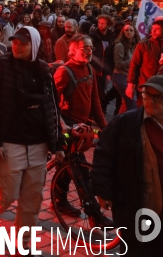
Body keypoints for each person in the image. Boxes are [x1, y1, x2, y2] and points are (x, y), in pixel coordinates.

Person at [0, 27, 65, 247]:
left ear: (34, 46)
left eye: (23, 43)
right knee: (5, 196)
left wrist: (57, 142)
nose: (17, 46)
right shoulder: (2, 64)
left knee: (32, 200)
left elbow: (52, 107)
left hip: (38, 146)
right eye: (15, 42)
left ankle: (23, 244)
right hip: (10, 144)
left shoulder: (44, 70)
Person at [92, 75, 163, 256]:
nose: (150, 101)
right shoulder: (125, 123)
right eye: (147, 95)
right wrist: (103, 191)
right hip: (134, 202)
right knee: (134, 247)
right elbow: (103, 155)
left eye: (157, 97)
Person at [52, 34, 109, 220]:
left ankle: (59, 201)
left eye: (91, 47)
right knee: (80, 172)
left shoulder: (90, 69)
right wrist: (62, 129)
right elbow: (51, 103)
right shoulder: (64, 72)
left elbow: (95, 101)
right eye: (85, 47)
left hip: (81, 126)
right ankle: (94, 216)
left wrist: (104, 126)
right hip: (68, 128)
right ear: (73, 50)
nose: (90, 51)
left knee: (68, 167)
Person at [126, 21, 163, 105]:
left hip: (161, 88)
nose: (153, 31)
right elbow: (134, 65)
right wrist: (130, 83)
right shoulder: (143, 45)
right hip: (145, 86)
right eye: (152, 29)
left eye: (157, 29)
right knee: (142, 112)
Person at [112, 24, 140, 113]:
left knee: (125, 105)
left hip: (129, 76)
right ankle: (131, 125)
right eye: (126, 30)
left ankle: (119, 124)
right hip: (120, 76)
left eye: (131, 30)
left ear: (135, 32)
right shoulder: (120, 45)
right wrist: (132, 60)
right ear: (123, 32)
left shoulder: (134, 45)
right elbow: (118, 64)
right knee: (132, 102)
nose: (129, 32)